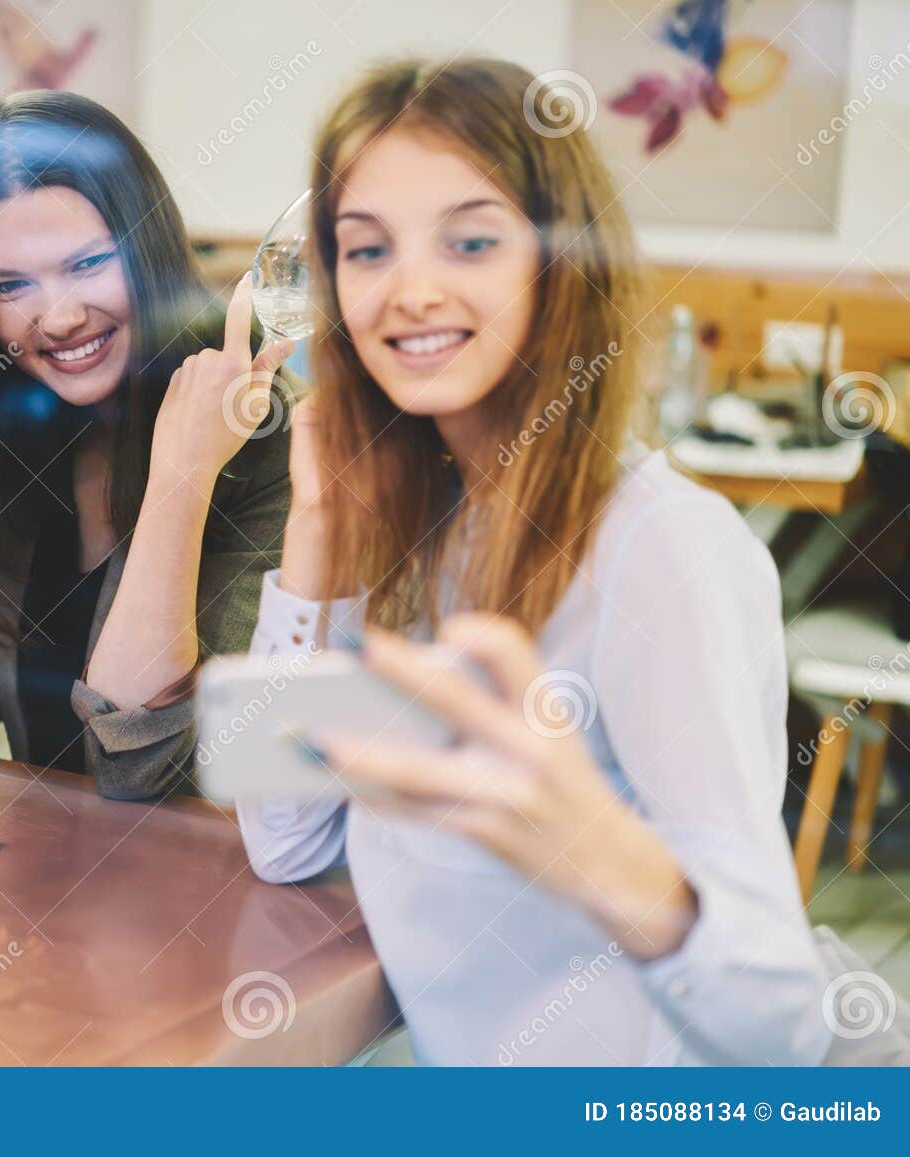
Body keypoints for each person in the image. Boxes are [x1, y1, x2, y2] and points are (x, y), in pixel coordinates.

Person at [238, 58, 832, 1065]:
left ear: (561, 265)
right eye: (365, 248)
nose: (410, 289)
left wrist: (608, 859)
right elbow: (286, 840)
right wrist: (319, 527)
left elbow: (785, 1028)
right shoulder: (419, 525)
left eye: (470, 240)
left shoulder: (663, 550)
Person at [0, 91, 297, 800]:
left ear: (148, 250)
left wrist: (181, 476)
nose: (61, 317)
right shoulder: (18, 421)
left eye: (86, 264)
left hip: (211, 894)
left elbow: (147, 770)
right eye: (11, 284)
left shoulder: (264, 437)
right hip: (49, 887)